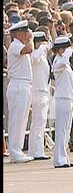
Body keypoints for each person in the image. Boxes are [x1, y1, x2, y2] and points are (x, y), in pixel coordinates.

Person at [6, 20, 34, 163]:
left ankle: (18, 150)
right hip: (18, 85)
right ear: (19, 33)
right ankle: (15, 151)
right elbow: (28, 50)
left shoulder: (20, 45)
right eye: (25, 32)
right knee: (17, 120)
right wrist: (31, 40)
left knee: (22, 120)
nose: (27, 35)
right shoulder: (15, 45)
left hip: (24, 85)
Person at [25, 29, 52, 160]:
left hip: (43, 91)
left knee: (41, 122)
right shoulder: (34, 54)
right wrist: (43, 47)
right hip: (37, 91)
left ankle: (37, 149)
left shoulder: (41, 55)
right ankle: (35, 151)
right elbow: (34, 57)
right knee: (37, 122)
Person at [50, 35, 73, 168]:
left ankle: (64, 157)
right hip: (62, 99)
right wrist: (68, 52)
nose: (68, 50)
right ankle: (59, 159)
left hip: (69, 97)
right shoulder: (57, 61)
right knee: (61, 130)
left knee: (67, 129)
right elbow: (64, 62)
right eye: (65, 48)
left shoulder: (64, 61)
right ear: (60, 50)